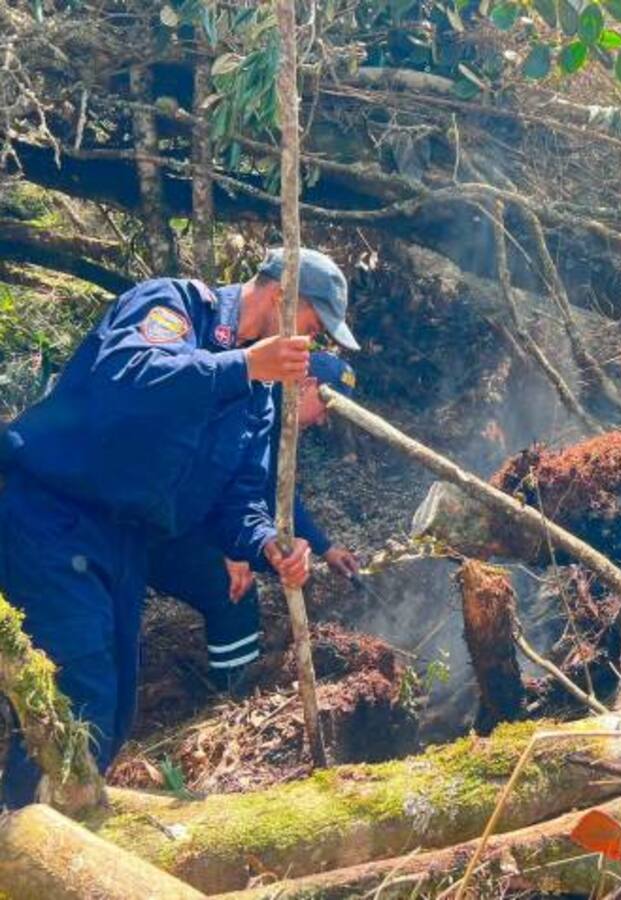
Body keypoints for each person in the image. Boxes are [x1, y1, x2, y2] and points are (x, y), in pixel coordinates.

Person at [0, 247, 359, 806]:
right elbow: (130, 374)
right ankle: (24, 840)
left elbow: (240, 496)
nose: (309, 342)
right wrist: (242, 366)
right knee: (79, 696)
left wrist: (267, 542)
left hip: (127, 540)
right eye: (311, 325)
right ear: (281, 293)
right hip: (51, 513)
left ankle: (45, 838)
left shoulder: (259, 396)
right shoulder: (177, 305)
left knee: (114, 711)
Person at [146, 352, 361, 695]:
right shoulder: (250, 404)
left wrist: (324, 547)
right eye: (325, 407)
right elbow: (198, 480)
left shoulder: (277, 419)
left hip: (201, 520)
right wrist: (226, 547)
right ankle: (235, 696)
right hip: (156, 525)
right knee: (233, 591)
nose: (323, 421)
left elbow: (278, 494)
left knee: (269, 566)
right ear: (307, 386)